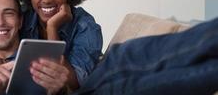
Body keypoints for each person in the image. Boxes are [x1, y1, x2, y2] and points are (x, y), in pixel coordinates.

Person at [72, 17, 218, 95]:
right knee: (123, 88)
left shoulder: (79, 20)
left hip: (93, 79)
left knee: (124, 54)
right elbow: (73, 80)